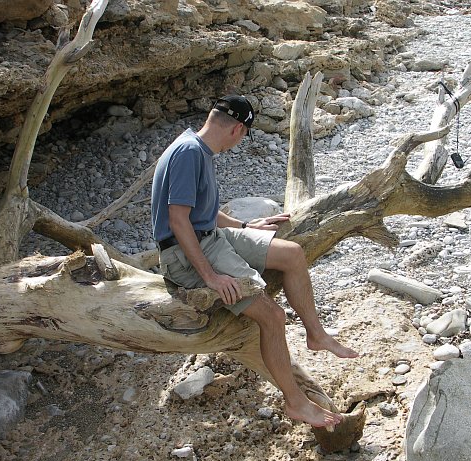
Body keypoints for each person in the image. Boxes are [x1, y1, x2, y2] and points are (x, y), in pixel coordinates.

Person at [151, 95, 358, 428]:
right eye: (244, 135)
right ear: (237, 130)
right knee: (273, 317)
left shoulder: (195, 146)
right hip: (184, 255)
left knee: (292, 254)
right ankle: (296, 403)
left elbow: (200, 212)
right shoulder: (189, 154)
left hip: (211, 238)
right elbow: (178, 221)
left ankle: (316, 334)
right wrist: (211, 277)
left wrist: (246, 227)